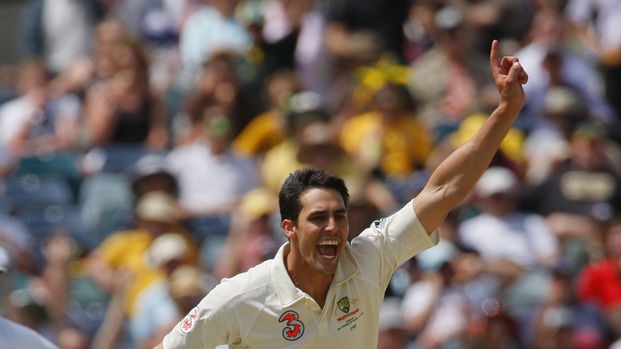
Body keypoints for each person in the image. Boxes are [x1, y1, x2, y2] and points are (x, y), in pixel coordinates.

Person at [154, 39, 528, 349]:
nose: (333, 227)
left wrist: (505, 111)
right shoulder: (241, 296)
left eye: (340, 216)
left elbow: (444, 189)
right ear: (289, 228)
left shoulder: (370, 257)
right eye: (317, 218)